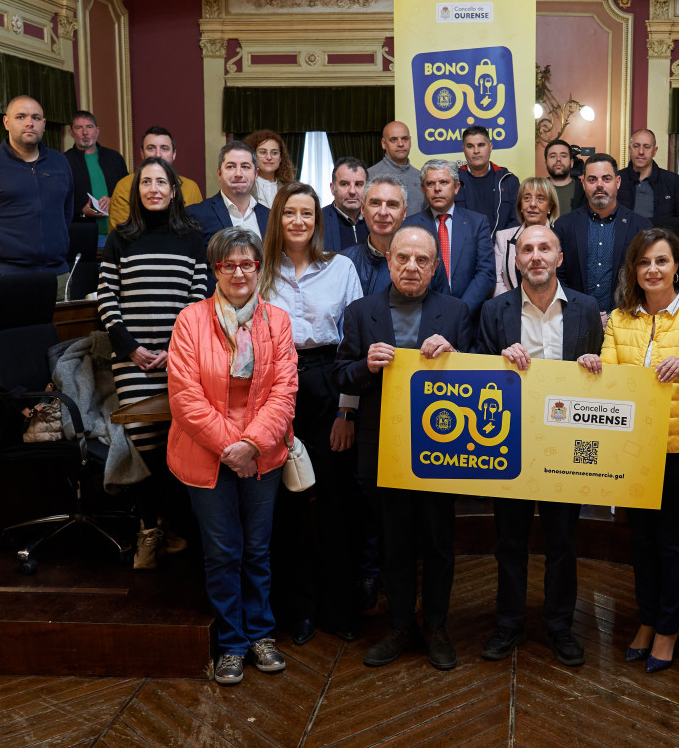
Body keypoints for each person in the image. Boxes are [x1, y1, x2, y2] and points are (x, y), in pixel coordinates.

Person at [583, 228, 679, 673]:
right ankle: (646, 621)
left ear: (677, 267)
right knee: (642, 544)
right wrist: (592, 367)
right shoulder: (619, 319)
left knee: (673, 544)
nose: (653, 270)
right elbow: (607, 382)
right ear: (634, 270)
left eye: (662, 261)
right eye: (644, 262)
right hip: (632, 452)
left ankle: (668, 630)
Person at [334, 225, 472, 671]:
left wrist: (454, 355)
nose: (412, 267)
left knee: (438, 540)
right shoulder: (360, 312)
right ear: (389, 260)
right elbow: (339, 375)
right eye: (403, 259)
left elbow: (480, 375)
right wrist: (365, 367)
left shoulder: (455, 312)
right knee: (393, 541)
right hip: (382, 446)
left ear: (436, 267)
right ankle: (398, 625)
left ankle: (435, 626)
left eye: (422, 260)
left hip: (442, 446)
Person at [167, 226, 298, 686]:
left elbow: (285, 391)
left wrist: (252, 445)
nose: (240, 272)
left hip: (261, 453)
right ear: (215, 269)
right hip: (207, 456)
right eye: (229, 264)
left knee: (258, 551)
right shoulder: (190, 320)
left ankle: (262, 634)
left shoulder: (277, 321)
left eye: (249, 263)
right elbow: (184, 397)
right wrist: (230, 448)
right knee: (223, 553)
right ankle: (231, 643)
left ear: (259, 268)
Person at [477, 224, 603, 667]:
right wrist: (498, 360)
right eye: (526, 249)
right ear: (516, 260)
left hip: (565, 448)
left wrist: (595, 366)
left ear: (559, 256)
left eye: (544, 248)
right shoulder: (494, 311)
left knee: (562, 541)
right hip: (509, 444)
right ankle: (509, 622)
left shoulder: (588, 310)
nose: (535, 256)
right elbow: (476, 371)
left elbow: (605, 377)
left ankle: (559, 625)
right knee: (509, 540)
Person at [258, 181, 365, 645]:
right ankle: (296, 610)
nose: (298, 221)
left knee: (338, 500)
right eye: (289, 213)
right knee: (288, 503)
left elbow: (355, 343)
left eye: (306, 214)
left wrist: (347, 412)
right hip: (274, 386)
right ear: (277, 220)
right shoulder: (259, 272)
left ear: (317, 221)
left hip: (329, 381)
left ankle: (339, 607)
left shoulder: (341, 267)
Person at [96, 157, 208, 569]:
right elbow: (107, 297)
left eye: (162, 181)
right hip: (133, 361)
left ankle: (163, 525)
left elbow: (198, 299)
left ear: (174, 190)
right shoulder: (120, 238)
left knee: (179, 441)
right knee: (145, 443)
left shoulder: (194, 237)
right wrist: (129, 348)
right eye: (147, 182)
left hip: (180, 359)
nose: (154, 188)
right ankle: (158, 526)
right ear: (136, 189)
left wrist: (174, 349)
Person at [0, 95, 74, 300]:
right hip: (7, 275)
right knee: (13, 333)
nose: (29, 123)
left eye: (36, 118)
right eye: (20, 117)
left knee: (60, 333)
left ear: (43, 125)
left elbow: (66, 212)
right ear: (6, 122)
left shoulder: (60, 162)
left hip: (58, 275)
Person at [553, 153, 650, 317]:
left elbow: (646, 277)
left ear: (617, 182)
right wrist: (581, 314)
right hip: (574, 319)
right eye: (592, 180)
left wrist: (615, 316)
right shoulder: (564, 226)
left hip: (627, 320)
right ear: (583, 183)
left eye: (606, 179)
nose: (599, 185)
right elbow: (557, 277)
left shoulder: (640, 227)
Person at [405, 159, 495, 324]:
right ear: (423, 189)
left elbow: (486, 273)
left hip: (469, 319)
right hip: (423, 318)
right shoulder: (410, 226)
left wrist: (460, 311)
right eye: (430, 183)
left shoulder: (477, 223)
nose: (437, 188)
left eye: (444, 182)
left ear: (456, 187)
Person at [186, 141, 271, 290]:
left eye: (245, 167)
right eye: (231, 166)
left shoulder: (271, 217)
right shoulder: (195, 215)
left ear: (256, 173)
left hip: (264, 308)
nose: (238, 174)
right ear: (219, 173)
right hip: (215, 308)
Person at [108, 127, 203, 229]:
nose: (158, 154)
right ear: (142, 153)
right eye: (151, 148)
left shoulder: (191, 187)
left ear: (174, 154)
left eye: (164, 148)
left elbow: (194, 230)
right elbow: (121, 233)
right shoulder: (124, 186)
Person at [64, 109, 128, 235]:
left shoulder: (115, 158)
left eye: (89, 127)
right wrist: (82, 212)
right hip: (82, 233)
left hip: (117, 232)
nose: (85, 133)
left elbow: (128, 193)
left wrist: (113, 200)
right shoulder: (64, 161)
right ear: (71, 132)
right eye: (79, 128)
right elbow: (59, 201)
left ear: (97, 131)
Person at [493, 178, 560, 297]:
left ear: (550, 207)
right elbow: (497, 281)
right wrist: (513, 306)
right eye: (527, 198)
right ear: (520, 205)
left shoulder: (561, 237)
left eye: (540, 199)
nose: (532, 204)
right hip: (511, 310)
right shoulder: (503, 238)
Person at [616, 129, 679, 222]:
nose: (641, 151)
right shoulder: (615, 180)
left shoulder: (675, 182)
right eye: (636, 146)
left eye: (646, 147)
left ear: (654, 151)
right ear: (630, 149)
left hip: (662, 236)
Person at [456, 125, 520, 234]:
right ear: (464, 150)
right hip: (464, 249)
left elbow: (517, 219)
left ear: (490, 147)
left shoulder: (508, 180)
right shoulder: (452, 180)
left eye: (481, 145)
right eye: (470, 146)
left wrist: (501, 244)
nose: (476, 151)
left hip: (501, 249)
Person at [368, 121, 425, 215]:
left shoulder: (421, 178)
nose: (400, 144)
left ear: (410, 141)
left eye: (404, 138)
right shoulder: (369, 176)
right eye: (394, 139)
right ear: (384, 143)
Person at [322, 156, 369, 252]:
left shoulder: (377, 219)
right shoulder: (318, 220)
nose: (352, 191)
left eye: (358, 184)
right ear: (332, 189)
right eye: (344, 184)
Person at [244, 129, 296, 209]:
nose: (269, 157)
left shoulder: (290, 189)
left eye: (274, 153)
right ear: (252, 156)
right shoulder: (243, 186)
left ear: (281, 158)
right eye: (263, 152)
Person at [543, 139, 584, 217]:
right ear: (546, 164)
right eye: (553, 156)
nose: (558, 159)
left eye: (563, 156)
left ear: (572, 163)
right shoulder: (537, 188)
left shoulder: (584, 190)